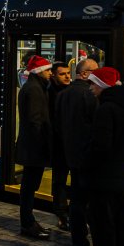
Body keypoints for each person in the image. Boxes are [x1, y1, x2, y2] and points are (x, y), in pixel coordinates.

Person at [82, 67, 124, 246]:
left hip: (104, 180)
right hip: (123, 178)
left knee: (103, 226)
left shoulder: (106, 110)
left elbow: (101, 148)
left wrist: (86, 164)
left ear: (102, 86)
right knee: (123, 226)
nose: (90, 88)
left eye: (93, 84)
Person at [55, 58, 99, 246]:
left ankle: (79, 242)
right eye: (95, 72)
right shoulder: (90, 96)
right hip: (87, 156)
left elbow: (58, 124)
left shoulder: (63, 95)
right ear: (84, 74)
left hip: (69, 153)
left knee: (76, 201)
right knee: (88, 202)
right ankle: (89, 243)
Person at [16, 55, 53, 241]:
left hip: (31, 146)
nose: (50, 73)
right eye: (47, 70)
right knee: (30, 186)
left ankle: (29, 222)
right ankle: (28, 224)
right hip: (34, 147)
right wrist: (43, 145)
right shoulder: (35, 90)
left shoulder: (33, 87)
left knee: (29, 185)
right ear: (39, 71)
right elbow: (35, 121)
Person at [48, 61, 72, 231]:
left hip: (69, 142)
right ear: (54, 75)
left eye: (68, 73)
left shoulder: (71, 91)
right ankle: (61, 213)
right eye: (62, 74)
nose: (67, 76)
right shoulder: (49, 93)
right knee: (60, 180)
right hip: (58, 143)